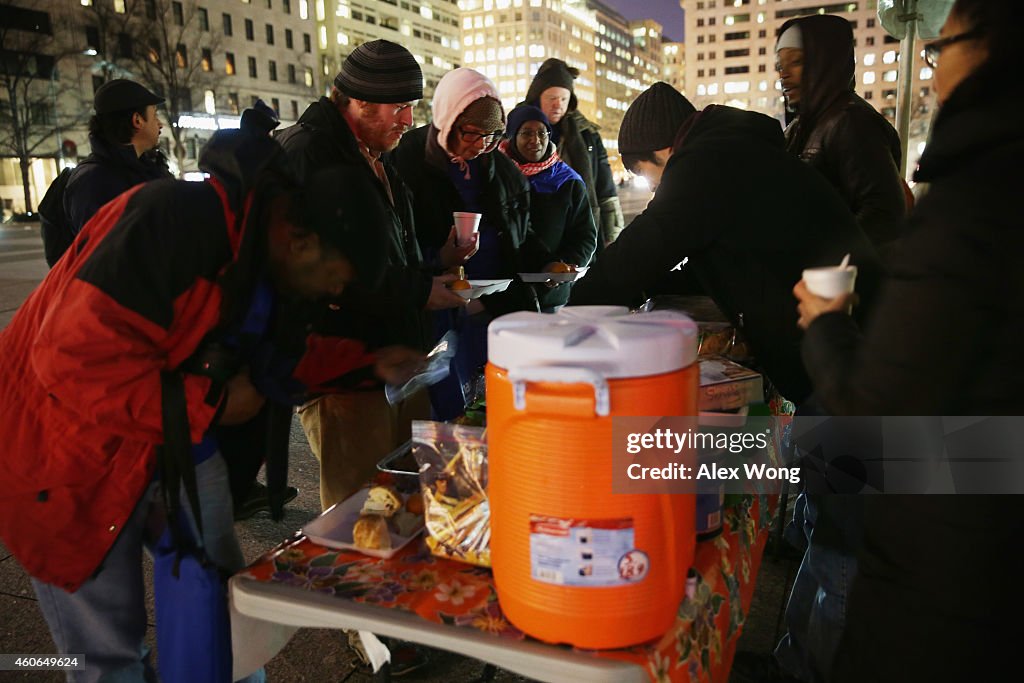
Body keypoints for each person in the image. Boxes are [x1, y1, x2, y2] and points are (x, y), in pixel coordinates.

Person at [0, 129, 422, 682]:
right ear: (301, 241)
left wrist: (368, 362)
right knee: (106, 653)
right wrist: (215, 401)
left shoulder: (260, 248)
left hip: (171, 438)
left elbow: (278, 348)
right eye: (332, 282)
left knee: (222, 611)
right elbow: (70, 362)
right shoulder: (172, 223)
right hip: (65, 454)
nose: (329, 298)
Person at [794, 2, 1024, 681]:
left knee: (830, 489)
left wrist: (828, 314)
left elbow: (875, 406)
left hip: (951, 541)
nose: (929, 72)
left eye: (940, 48)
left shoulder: (980, 186)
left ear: (993, 46)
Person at [569, 82, 882, 407]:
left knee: (839, 455)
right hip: (840, 346)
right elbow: (705, 269)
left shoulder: (706, 163)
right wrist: (649, 288)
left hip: (842, 355)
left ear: (663, 151)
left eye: (645, 175)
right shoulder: (734, 155)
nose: (652, 188)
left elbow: (638, 253)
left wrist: (569, 317)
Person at [277, 40, 470, 511]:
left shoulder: (369, 154)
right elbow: (327, 275)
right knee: (361, 516)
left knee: (408, 506)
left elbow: (382, 255)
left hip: (394, 364)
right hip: (344, 375)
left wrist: (433, 262)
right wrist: (420, 289)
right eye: (400, 108)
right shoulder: (310, 155)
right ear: (361, 102)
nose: (409, 120)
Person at [394, 67, 543, 420]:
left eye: (491, 136)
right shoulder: (405, 162)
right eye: (471, 133)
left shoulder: (502, 171)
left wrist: (548, 264)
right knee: (447, 415)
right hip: (436, 318)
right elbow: (396, 246)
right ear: (447, 119)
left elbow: (521, 232)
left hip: (494, 309)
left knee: (500, 407)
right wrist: (439, 258)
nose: (480, 145)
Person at [776, 15, 908, 252]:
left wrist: (825, 258)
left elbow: (883, 212)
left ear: (826, 63)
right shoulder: (802, 125)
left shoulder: (851, 121)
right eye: (780, 65)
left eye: (796, 61)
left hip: (843, 281)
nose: (783, 74)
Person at [499, 104, 597, 311]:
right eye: (526, 133)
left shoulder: (568, 181)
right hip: (502, 295)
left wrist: (562, 267)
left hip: (551, 297)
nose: (536, 140)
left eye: (542, 133)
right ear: (512, 136)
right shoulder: (498, 175)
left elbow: (585, 235)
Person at [523, 58, 624, 252]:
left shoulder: (587, 135)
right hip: (534, 230)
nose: (557, 105)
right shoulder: (516, 131)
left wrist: (612, 236)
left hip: (582, 228)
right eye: (551, 98)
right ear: (537, 97)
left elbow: (605, 189)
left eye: (563, 98)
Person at [64, 78, 172, 236]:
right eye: (155, 115)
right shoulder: (94, 181)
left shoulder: (148, 167)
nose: (160, 124)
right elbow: (104, 252)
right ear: (137, 120)